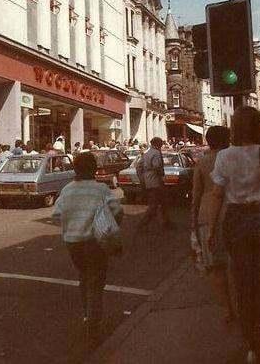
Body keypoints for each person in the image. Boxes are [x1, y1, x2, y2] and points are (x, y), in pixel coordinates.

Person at [208, 106, 260, 363]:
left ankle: (252, 344)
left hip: (236, 222)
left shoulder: (223, 157)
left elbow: (217, 196)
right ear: (257, 127)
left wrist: (211, 230)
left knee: (242, 282)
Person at [52, 152, 123, 349]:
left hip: (73, 242)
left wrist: (72, 222)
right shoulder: (101, 189)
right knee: (96, 282)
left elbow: (56, 215)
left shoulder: (67, 189)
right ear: (94, 169)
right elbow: (117, 211)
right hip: (95, 242)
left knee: (84, 276)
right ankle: (93, 324)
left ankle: (86, 314)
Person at [191, 126, 235, 322]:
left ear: (208, 141)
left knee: (215, 267)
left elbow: (196, 195)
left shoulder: (202, 162)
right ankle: (240, 304)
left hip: (207, 216)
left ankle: (227, 309)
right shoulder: (234, 158)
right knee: (235, 264)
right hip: (233, 212)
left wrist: (192, 222)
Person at [136, 137, 172, 231]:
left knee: (163, 202)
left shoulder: (146, 153)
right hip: (155, 181)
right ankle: (143, 224)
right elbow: (157, 166)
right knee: (155, 204)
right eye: (161, 144)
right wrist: (161, 174)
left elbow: (138, 167)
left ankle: (166, 222)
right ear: (157, 144)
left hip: (148, 181)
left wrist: (142, 179)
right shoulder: (156, 153)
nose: (161, 146)